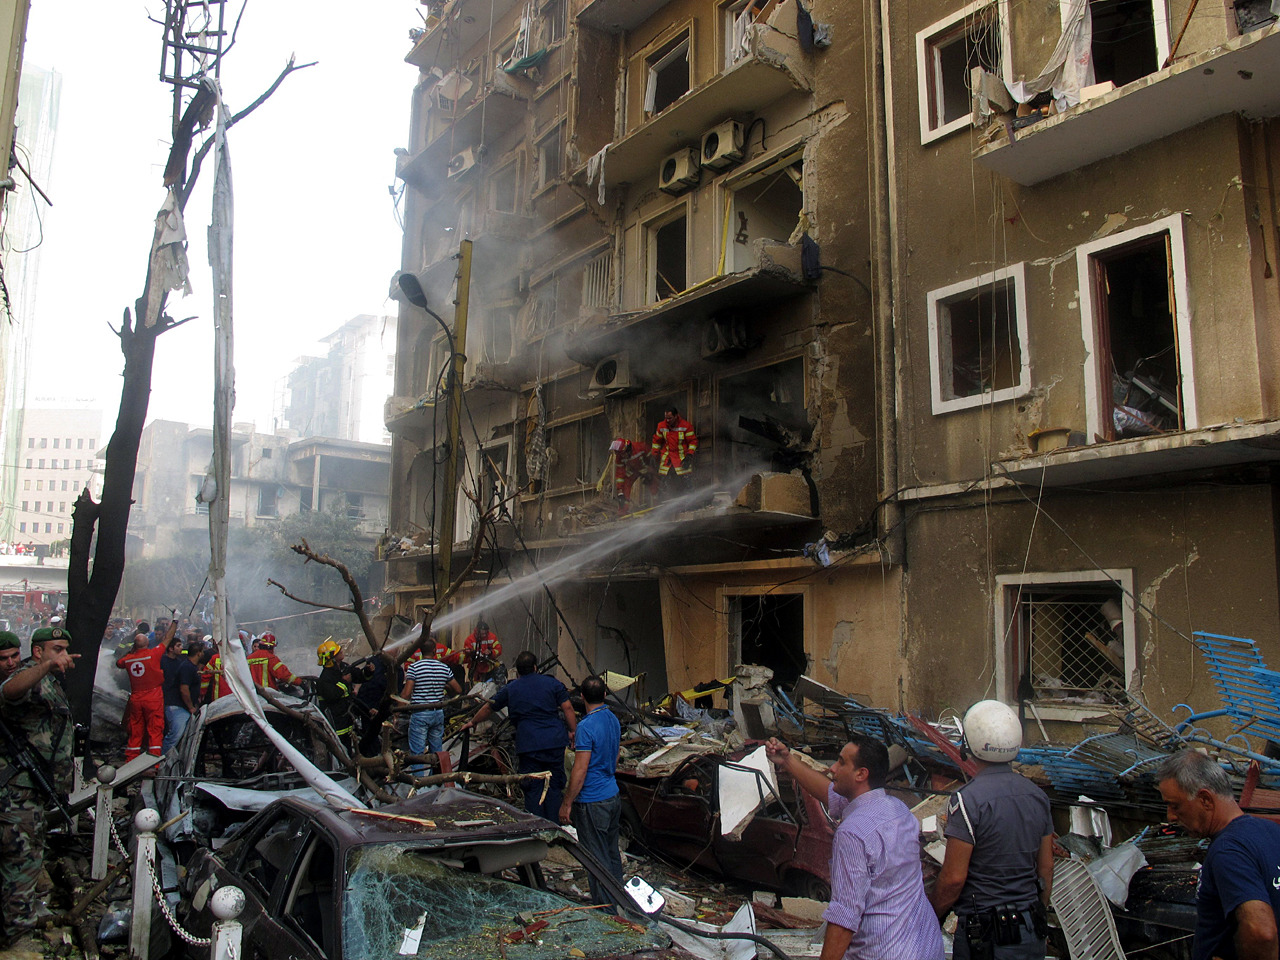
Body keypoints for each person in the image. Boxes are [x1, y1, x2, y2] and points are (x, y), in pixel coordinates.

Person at [765, 734, 942, 959]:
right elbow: (831, 795)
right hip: (925, 947)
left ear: (861, 774)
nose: (833, 770)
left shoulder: (852, 833)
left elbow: (845, 915)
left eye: (841, 762)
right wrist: (788, 760)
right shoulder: (897, 810)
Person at [930, 700, 1054, 960]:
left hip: (986, 940)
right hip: (1030, 932)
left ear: (968, 745)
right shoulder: (1036, 796)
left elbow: (953, 879)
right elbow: (1045, 868)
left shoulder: (967, 801)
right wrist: (1036, 914)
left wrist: (931, 916)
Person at [1157, 748, 1280, 960]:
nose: (1171, 817)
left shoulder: (1227, 851)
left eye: (1175, 806)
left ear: (1205, 799)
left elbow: (1261, 932)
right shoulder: (1271, 831)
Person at [0, 627, 77, 942]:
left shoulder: (47, 682)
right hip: (16, 793)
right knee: (21, 858)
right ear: (38, 652)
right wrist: (44, 667)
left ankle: (24, 912)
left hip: (32, 790)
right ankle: (16, 932)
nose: (62, 654)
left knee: (29, 854)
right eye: (55, 649)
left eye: (64, 649)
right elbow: (10, 691)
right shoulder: (27, 679)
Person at [460, 651, 576, 819]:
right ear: (536, 667)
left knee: (532, 785)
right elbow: (568, 708)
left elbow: (488, 707)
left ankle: (535, 828)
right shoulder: (553, 684)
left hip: (529, 745)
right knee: (553, 784)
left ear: (518, 671)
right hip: (554, 742)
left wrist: (473, 722)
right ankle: (553, 827)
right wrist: (573, 731)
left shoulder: (511, 688)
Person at [560, 675, 623, 906]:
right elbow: (616, 754)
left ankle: (607, 910)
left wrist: (567, 802)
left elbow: (579, 770)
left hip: (592, 801)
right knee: (611, 854)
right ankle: (620, 902)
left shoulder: (585, 727)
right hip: (612, 795)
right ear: (605, 695)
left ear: (582, 697)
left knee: (596, 860)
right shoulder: (613, 719)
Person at [400, 647, 462, 773]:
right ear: (434, 652)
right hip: (438, 713)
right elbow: (458, 690)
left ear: (422, 653)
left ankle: (418, 784)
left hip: (420, 713)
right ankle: (436, 782)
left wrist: (397, 710)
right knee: (437, 751)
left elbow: (406, 694)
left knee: (417, 753)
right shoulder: (444, 668)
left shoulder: (414, 667)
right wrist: (443, 685)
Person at [116, 629, 166, 761]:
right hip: (153, 697)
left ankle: (130, 760)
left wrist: (132, 651)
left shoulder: (128, 659)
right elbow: (167, 640)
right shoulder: (153, 654)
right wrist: (175, 621)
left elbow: (119, 662)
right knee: (155, 731)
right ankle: (153, 762)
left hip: (136, 698)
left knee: (135, 731)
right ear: (147, 642)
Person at [161, 641, 203, 754]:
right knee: (175, 735)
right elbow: (184, 689)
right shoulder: (187, 667)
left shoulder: (190, 666)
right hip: (178, 706)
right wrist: (191, 707)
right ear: (198, 653)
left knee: (180, 736)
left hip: (182, 707)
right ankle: (160, 762)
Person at [650, 406, 698, 497]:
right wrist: (654, 454)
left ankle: (691, 503)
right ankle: (664, 503)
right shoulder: (661, 426)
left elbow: (692, 441)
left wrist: (689, 455)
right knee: (663, 484)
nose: (667, 420)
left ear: (676, 416)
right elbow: (656, 441)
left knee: (687, 482)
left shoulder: (686, 426)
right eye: (666, 418)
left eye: (670, 418)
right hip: (667, 458)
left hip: (682, 458)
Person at [316, 640, 357, 737]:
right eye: (338, 652)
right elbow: (332, 695)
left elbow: (358, 675)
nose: (341, 651)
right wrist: (345, 682)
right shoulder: (325, 678)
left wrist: (368, 672)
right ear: (332, 659)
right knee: (341, 747)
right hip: (337, 723)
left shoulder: (343, 668)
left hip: (346, 718)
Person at [606, 438, 656, 514]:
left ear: (627, 449)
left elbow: (653, 458)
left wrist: (652, 471)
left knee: (654, 484)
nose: (622, 456)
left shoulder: (640, 447)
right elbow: (620, 474)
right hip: (634, 470)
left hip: (647, 468)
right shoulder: (619, 457)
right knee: (626, 485)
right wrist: (620, 492)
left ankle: (658, 507)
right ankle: (623, 511)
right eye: (619, 454)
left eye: (622, 454)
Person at [463, 620, 503, 685]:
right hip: (476, 670)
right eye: (482, 634)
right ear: (477, 631)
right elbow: (466, 654)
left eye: (485, 633)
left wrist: (491, 652)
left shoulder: (492, 637)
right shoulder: (470, 640)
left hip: (489, 669)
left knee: (491, 687)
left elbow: (498, 649)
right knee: (476, 688)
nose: (484, 635)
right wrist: (469, 652)